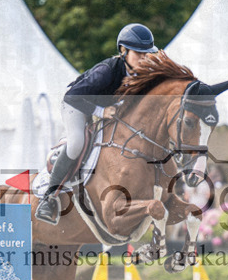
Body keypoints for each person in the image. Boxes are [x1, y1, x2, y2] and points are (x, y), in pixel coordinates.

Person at [35, 23, 159, 224]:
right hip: (76, 106)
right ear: (123, 51)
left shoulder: (143, 74)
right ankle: (49, 198)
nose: (144, 58)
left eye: (147, 54)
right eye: (139, 53)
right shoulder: (106, 71)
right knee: (76, 143)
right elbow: (73, 98)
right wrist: (101, 112)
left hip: (106, 112)